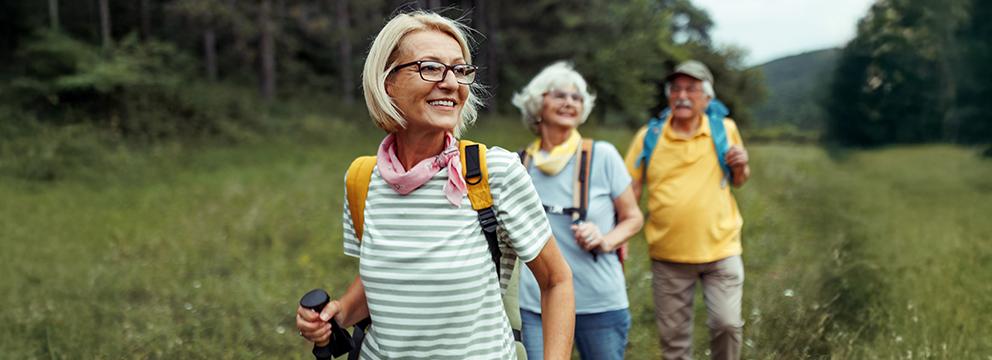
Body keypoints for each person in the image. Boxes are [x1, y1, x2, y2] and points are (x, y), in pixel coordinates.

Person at [295, 11, 575, 359]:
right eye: (430, 67)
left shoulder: (496, 173)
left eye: (459, 70)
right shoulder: (362, 179)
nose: (451, 83)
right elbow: (388, 280)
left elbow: (556, 281)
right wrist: (336, 313)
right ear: (387, 82)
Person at [511, 61, 643, 360]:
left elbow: (633, 217)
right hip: (536, 304)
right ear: (537, 103)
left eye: (577, 98)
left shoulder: (603, 155)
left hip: (598, 301)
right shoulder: (518, 164)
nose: (569, 102)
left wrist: (606, 239)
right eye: (559, 95)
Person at [623, 60, 751, 360]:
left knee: (727, 324)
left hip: (722, 249)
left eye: (692, 89)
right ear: (668, 96)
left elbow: (739, 180)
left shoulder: (724, 129)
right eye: (676, 88)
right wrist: (622, 236)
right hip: (668, 255)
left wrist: (742, 165)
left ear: (707, 98)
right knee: (674, 344)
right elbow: (631, 191)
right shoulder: (649, 136)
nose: (682, 95)